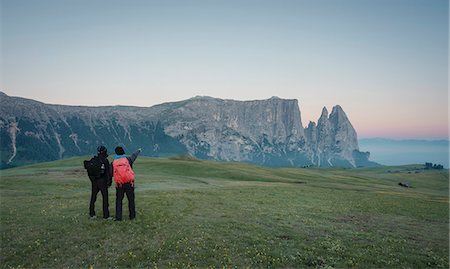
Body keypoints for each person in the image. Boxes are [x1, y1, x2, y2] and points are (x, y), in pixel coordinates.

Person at [112, 146, 141, 221]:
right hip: (129, 183)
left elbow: (110, 173)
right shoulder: (128, 160)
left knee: (119, 200)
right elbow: (134, 156)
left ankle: (118, 217)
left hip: (119, 184)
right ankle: (132, 216)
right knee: (131, 200)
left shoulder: (114, 162)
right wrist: (138, 150)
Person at [88, 145, 112, 219]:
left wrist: (92, 180)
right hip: (102, 181)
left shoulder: (94, 160)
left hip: (94, 181)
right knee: (105, 198)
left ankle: (92, 213)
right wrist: (109, 182)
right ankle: (106, 215)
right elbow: (108, 173)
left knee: (93, 197)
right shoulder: (105, 160)